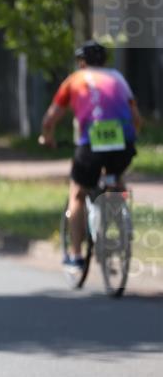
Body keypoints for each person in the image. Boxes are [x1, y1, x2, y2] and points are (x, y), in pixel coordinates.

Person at [40, 40, 142, 271]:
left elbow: (50, 119)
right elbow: (136, 116)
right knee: (115, 174)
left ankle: (76, 256)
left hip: (91, 145)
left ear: (81, 62)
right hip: (123, 143)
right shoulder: (118, 78)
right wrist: (132, 138)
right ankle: (121, 219)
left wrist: (47, 137)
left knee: (77, 193)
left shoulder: (74, 80)